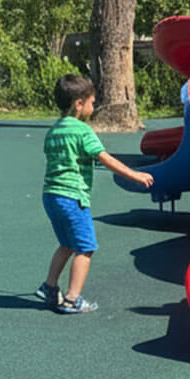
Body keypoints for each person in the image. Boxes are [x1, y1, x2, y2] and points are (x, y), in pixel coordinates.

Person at [37, 74, 153, 314]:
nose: (94, 106)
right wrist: (134, 174)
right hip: (72, 197)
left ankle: (49, 287)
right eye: (91, 102)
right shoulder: (82, 130)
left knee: (66, 244)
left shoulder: (54, 130)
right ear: (78, 104)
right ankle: (72, 299)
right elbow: (105, 158)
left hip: (51, 196)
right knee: (85, 247)